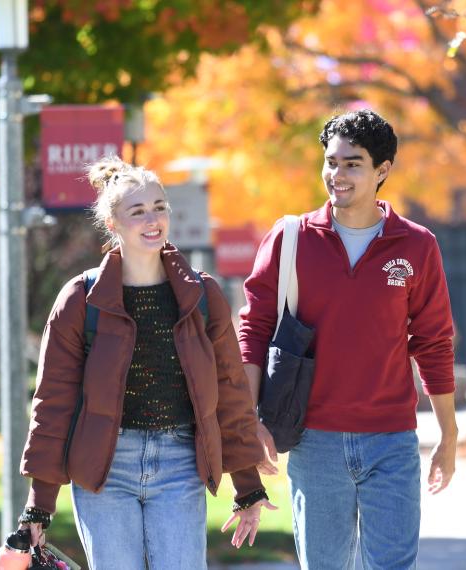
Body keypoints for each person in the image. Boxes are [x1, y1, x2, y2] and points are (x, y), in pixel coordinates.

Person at [18, 156, 275, 569]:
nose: (152, 219)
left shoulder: (201, 295)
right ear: (113, 223)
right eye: (137, 211)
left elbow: (230, 391)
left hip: (180, 466)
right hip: (105, 470)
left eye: (159, 207)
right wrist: (39, 504)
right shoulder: (81, 299)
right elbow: (54, 401)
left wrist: (247, 485)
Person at [238, 109, 458, 570]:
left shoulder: (416, 245)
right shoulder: (290, 238)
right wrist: (249, 419)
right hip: (314, 439)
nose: (337, 175)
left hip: (392, 439)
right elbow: (254, 330)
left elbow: (434, 342)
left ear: (382, 171)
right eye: (331, 162)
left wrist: (448, 434)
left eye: (352, 163)